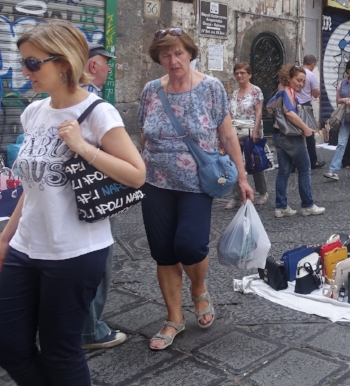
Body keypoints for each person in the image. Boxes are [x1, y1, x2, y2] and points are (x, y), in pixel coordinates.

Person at [0, 21, 146, 383]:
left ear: (63, 63)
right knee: (9, 346)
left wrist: (82, 147)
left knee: (60, 352)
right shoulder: (33, 111)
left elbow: (136, 174)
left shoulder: (98, 113)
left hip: (74, 253)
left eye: (33, 63)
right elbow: (34, 188)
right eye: (23, 62)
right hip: (25, 247)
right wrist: (6, 238)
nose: (25, 71)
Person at [138, 28, 254, 351]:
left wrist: (243, 179)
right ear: (158, 58)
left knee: (190, 245)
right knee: (163, 252)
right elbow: (144, 137)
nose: (172, 60)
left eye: (178, 53)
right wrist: (135, 172)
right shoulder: (150, 91)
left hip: (196, 183)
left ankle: (199, 289)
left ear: (190, 53)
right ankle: (174, 318)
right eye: (165, 54)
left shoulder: (211, 88)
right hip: (155, 182)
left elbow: (229, 137)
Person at [77, 42, 128, 351]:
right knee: (97, 264)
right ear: (93, 66)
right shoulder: (95, 105)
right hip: (90, 196)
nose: (109, 69)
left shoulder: (51, 101)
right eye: (106, 63)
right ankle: (90, 331)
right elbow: (129, 167)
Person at [266, 65, 326, 217]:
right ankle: (307, 205)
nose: (301, 84)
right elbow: (290, 113)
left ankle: (281, 207)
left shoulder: (280, 92)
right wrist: (305, 128)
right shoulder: (288, 92)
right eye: (298, 80)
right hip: (290, 136)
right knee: (305, 168)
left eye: (303, 82)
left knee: (283, 171)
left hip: (277, 135)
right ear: (289, 79)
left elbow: (269, 107)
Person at [226, 61, 268, 209]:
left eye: (242, 72)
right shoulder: (235, 93)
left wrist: (256, 131)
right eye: (237, 73)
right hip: (236, 132)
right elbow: (230, 114)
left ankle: (262, 192)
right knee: (234, 164)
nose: (239, 75)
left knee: (255, 162)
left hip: (251, 131)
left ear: (249, 74)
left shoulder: (256, 91)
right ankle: (237, 196)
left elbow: (258, 112)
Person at [323, 59, 350, 181]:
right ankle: (333, 171)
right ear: (348, 71)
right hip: (345, 116)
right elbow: (338, 99)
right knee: (341, 143)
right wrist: (345, 100)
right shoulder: (342, 83)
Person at [297, 55, 325, 169]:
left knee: (295, 134)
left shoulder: (295, 71)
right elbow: (315, 93)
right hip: (305, 106)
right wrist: (318, 93)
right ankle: (313, 161)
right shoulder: (311, 75)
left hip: (293, 105)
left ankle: (294, 163)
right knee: (310, 134)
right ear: (313, 64)